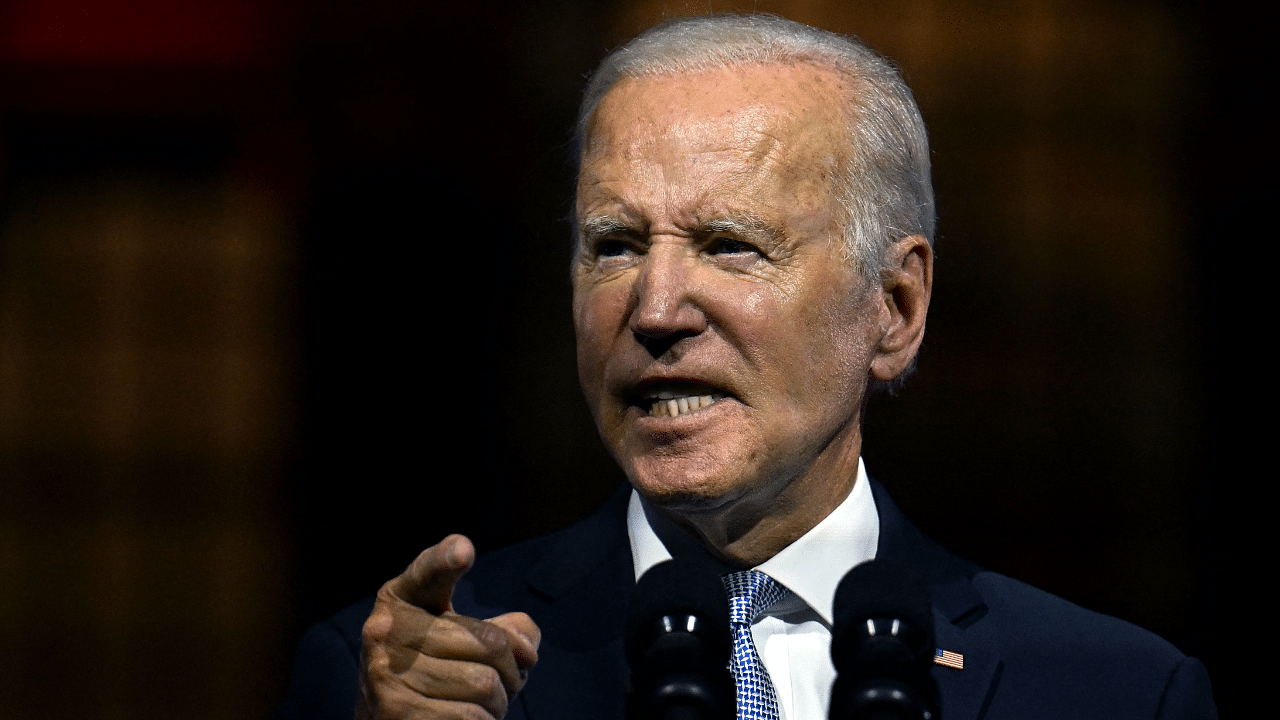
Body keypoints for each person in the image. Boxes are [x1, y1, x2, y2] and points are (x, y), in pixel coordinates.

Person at [277, 14, 1216, 720]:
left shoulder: (1116, 691)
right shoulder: (399, 678)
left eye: (730, 245)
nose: (652, 311)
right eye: (613, 245)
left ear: (894, 310)